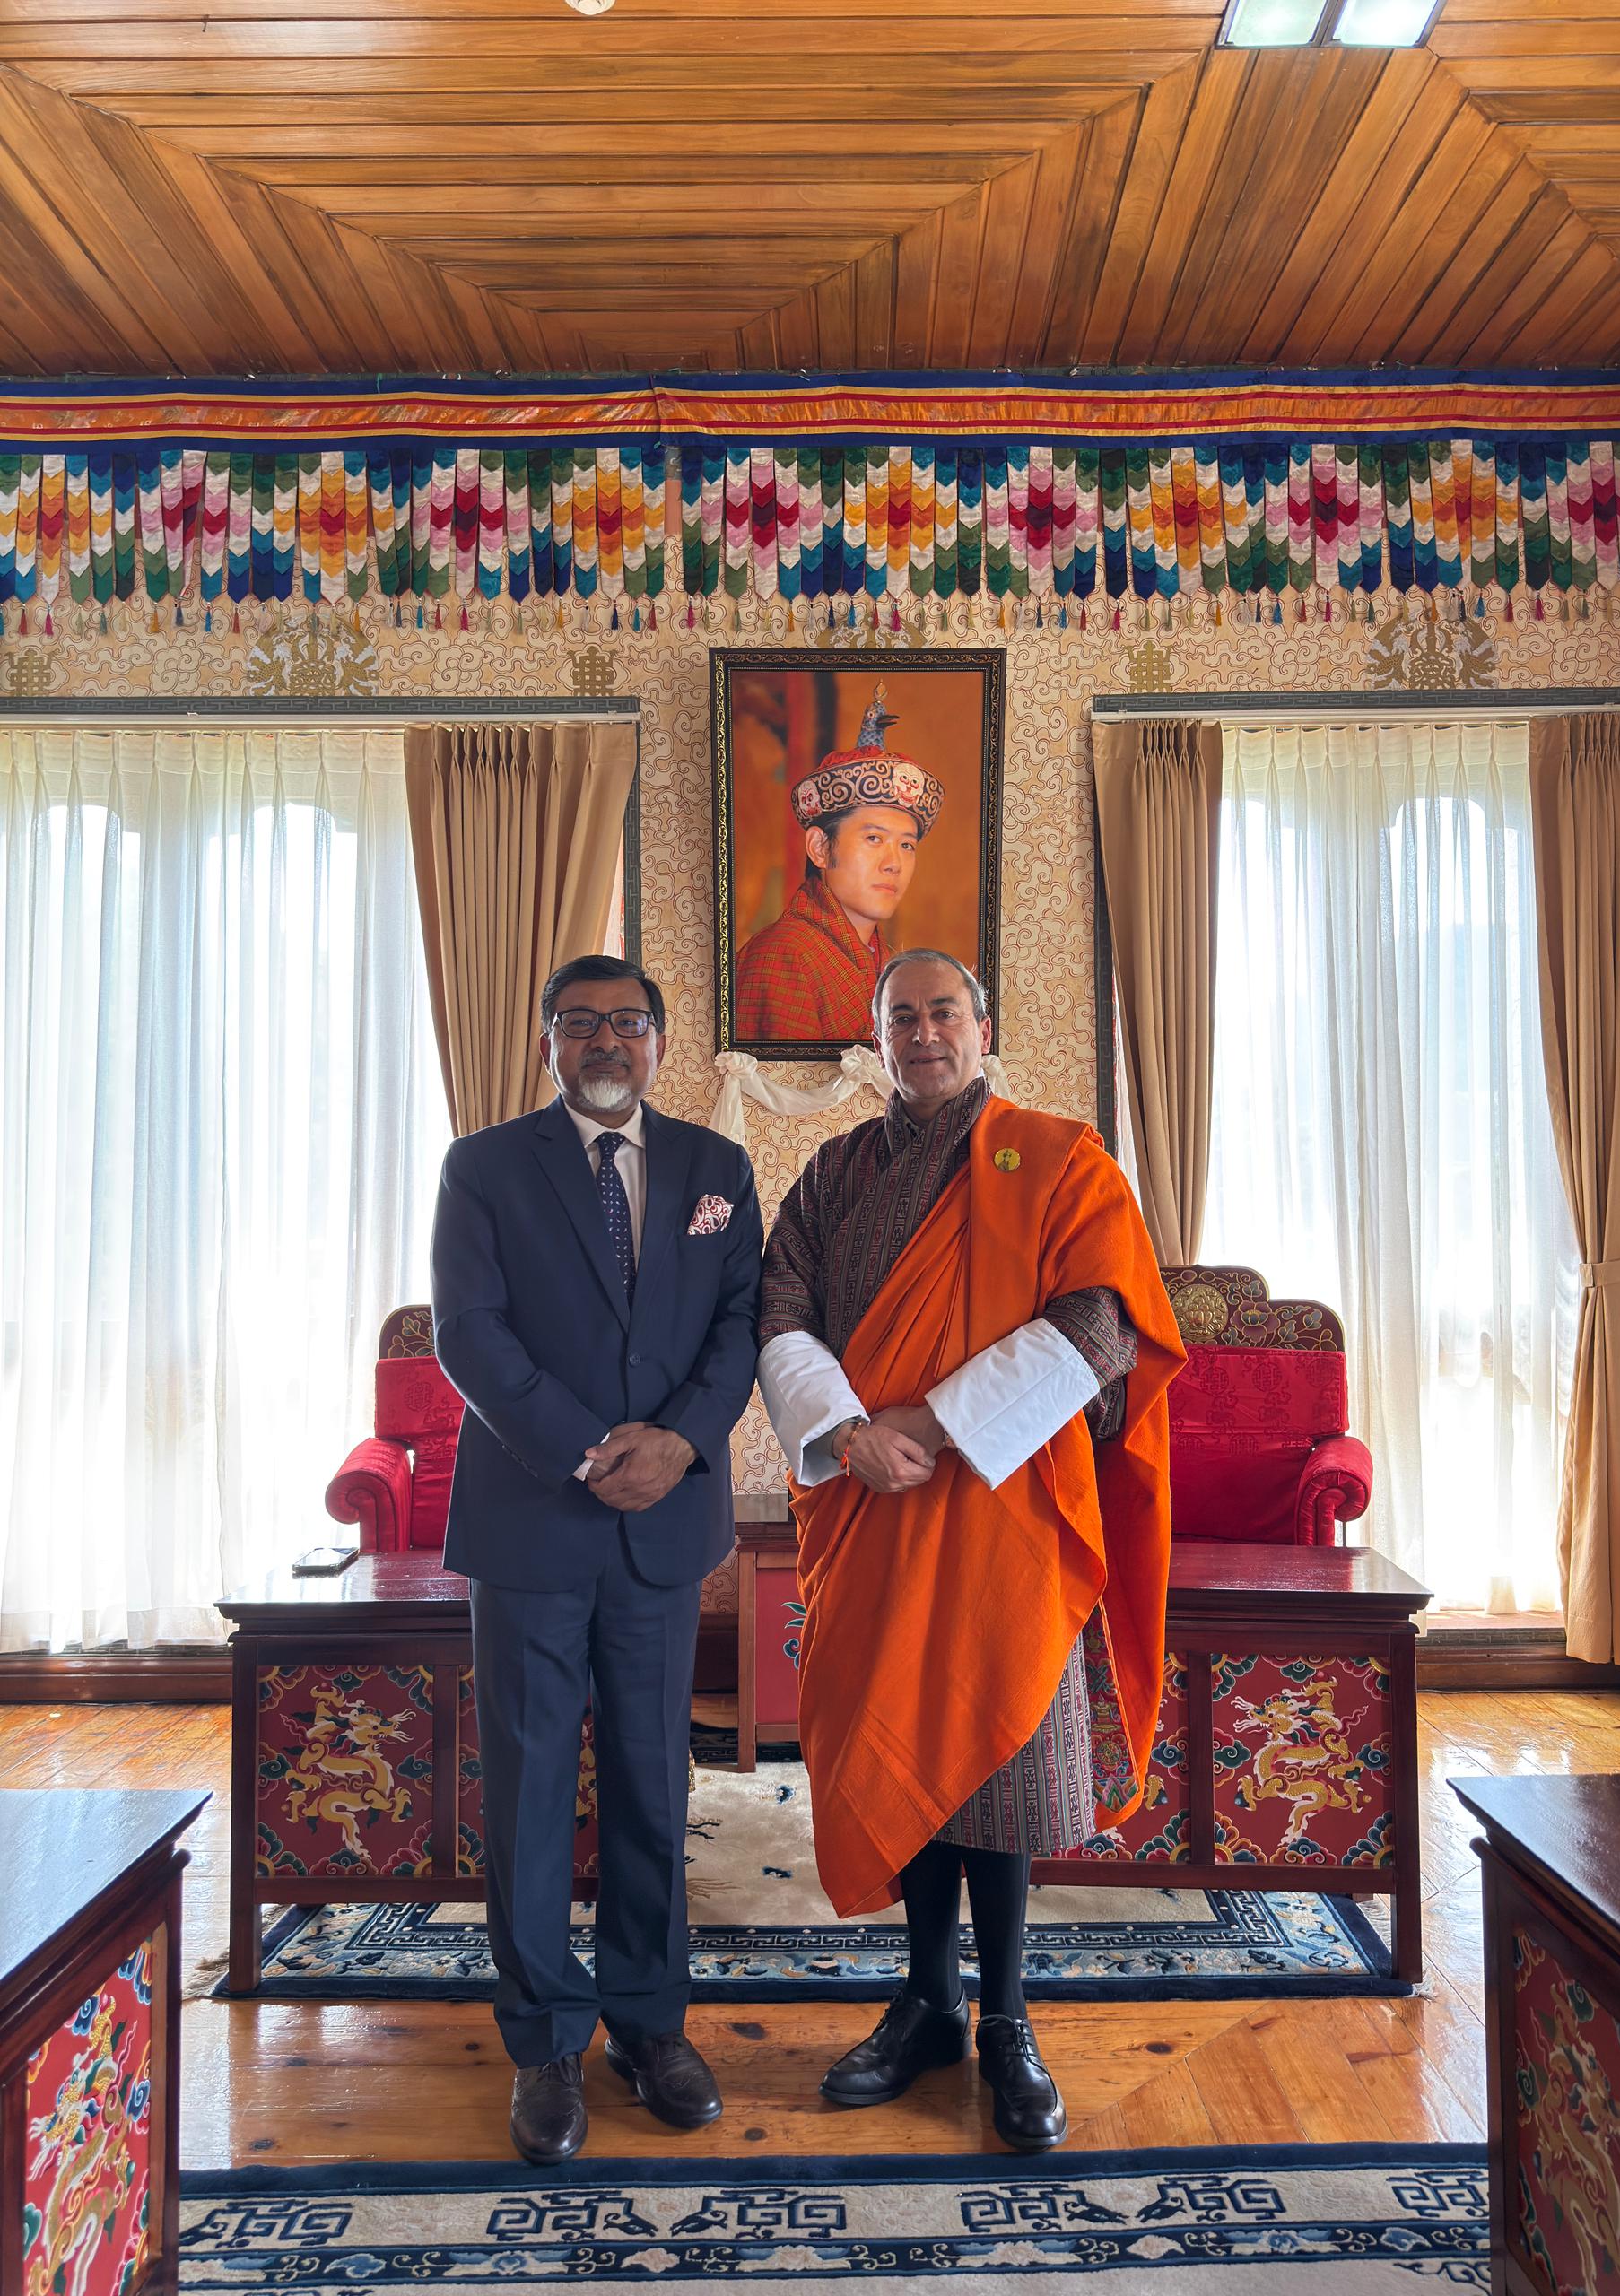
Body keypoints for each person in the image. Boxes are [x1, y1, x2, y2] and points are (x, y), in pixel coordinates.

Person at [756, 950, 1185, 2152]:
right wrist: (850, 1434)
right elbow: (779, 1311)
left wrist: (933, 1425)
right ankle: (927, 2003)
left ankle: (1008, 2018)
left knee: (995, 1762)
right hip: (871, 1506)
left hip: (1005, 1504)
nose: (925, 1033)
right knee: (903, 1744)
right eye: (902, 1018)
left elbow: (1100, 1323)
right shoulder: (836, 1172)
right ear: (877, 1040)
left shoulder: (1059, 1158)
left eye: (945, 1012)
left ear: (984, 1027)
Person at [431, 954, 762, 2166]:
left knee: (651, 1784)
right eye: (580, 1024)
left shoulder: (719, 1169)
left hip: (663, 1523)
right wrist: (588, 1452)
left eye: (628, 1022)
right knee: (527, 1791)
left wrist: (675, 1443)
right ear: (548, 1046)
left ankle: (649, 2025)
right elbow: (470, 1335)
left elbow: (740, 1327)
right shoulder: (482, 1167)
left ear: (661, 1043)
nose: (606, 1042)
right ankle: (544, 2043)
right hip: (532, 1522)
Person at [736, 683, 945, 1042]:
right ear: (819, 848)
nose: (894, 863)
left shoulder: (885, 963)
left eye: (907, 845)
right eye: (874, 839)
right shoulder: (782, 956)